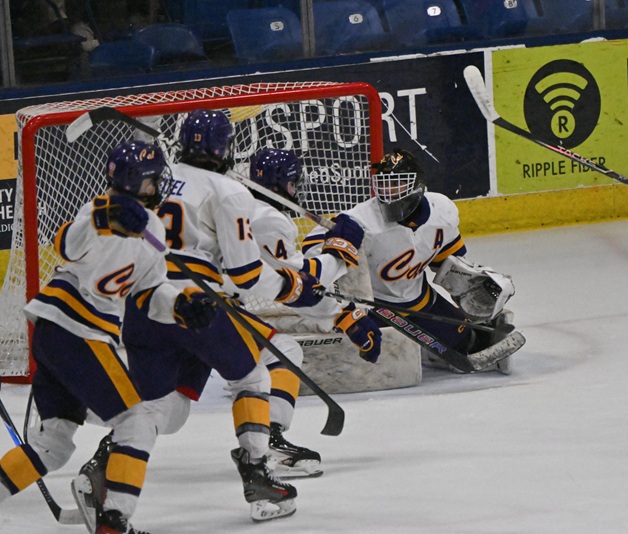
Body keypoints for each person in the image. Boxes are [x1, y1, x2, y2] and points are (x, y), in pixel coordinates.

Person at [75, 111, 321, 523]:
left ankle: (102, 469)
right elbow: (245, 275)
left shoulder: (160, 181)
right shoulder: (227, 190)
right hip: (195, 303)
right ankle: (259, 476)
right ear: (224, 148)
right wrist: (293, 287)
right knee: (254, 376)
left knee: (162, 412)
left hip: (142, 304)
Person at [0, 141, 217, 534]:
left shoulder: (152, 227)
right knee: (136, 421)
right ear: (135, 181)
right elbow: (65, 243)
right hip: (76, 331)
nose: (158, 186)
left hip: (59, 335)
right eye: (153, 180)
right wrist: (107, 216)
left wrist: (181, 306)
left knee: (54, 444)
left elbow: (150, 292)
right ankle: (114, 522)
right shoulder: (98, 209)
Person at [302, 148, 519, 374]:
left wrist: (469, 282)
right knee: (369, 360)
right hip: (376, 307)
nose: (390, 192)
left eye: (397, 184)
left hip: (420, 301)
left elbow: (446, 260)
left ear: (418, 185)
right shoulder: (364, 220)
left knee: (465, 342)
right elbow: (310, 245)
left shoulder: (441, 210)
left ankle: (432, 349)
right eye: (384, 184)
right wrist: (334, 243)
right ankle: (418, 348)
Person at [239, 147, 382, 477]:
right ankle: (268, 443)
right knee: (283, 352)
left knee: (168, 406)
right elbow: (297, 283)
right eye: (292, 182)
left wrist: (340, 313)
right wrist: (341, 253)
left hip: (183, 302)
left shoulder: (247, 208)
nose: (296, 188)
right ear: (282, 184)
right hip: (212, 306)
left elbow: (287, 286)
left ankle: (117, 449)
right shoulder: (268, 220)